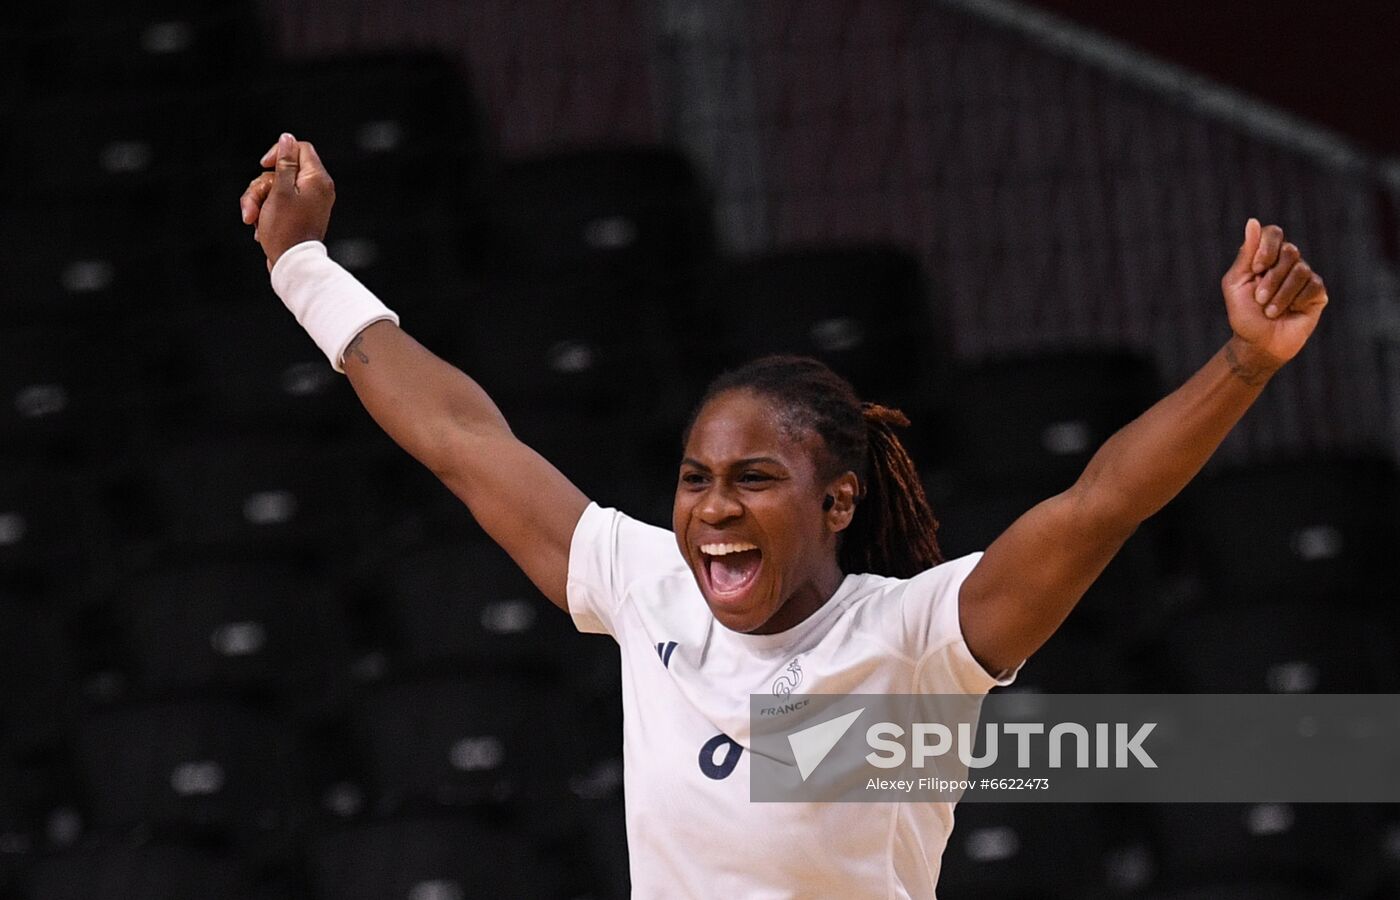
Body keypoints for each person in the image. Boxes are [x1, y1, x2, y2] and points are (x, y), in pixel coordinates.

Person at [238, 132, 1329, 897]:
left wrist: (1241, 363)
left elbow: (1098, 506)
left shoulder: (913, 643)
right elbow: (460, 439)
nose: (711, 509)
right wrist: (302, 267)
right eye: (695, 478)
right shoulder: (646, 585)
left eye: (753, 479)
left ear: (835, 500)